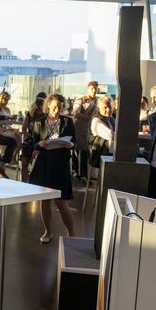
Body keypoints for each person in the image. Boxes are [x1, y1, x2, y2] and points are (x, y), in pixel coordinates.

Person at [26, 93, 76, 243]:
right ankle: (47, 231)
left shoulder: (67, 122)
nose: (56, 111)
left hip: (60, 163)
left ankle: (72, 234)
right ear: (48, 105)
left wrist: (69, 144)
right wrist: (39, 144)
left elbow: (74, 141)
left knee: (61, 201)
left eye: (59, 108)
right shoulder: (39, 122)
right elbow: (34, 143)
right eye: (54, 108)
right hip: (44, 163)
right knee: (45, 200)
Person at [72, 81, 100, 179]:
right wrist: (89, 118)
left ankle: (85, 174)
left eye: (96, 88)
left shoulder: (98, 101)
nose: (94, 90)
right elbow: (75, 113)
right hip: (80, 129)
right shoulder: (82, 100)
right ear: (88, 89)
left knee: (87, 152)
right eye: (92, 88)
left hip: (91, 130)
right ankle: (78, 173)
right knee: (80, 151)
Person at [89, 95, 116, 168]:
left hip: (112, 153)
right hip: (100, 155)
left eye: (110, 107)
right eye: (105, 107)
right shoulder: (96, 121)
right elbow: (110, 135)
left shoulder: (111, 119)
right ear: (98, 108)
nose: (108, 110)